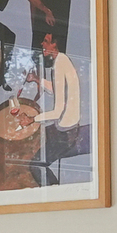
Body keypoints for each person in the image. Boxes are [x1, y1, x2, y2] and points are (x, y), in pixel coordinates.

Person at [34, 31, 86, 180]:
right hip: (67, 127)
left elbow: (57, 112)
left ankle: (53, 190)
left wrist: (32, 119)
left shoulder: (59, 64)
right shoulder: (62, 60)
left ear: (54, 45)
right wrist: (37, 80)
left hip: (67, 133)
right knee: (38, 138)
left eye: (46, 41)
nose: (42, 44)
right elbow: (58, 90)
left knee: (35, 164)